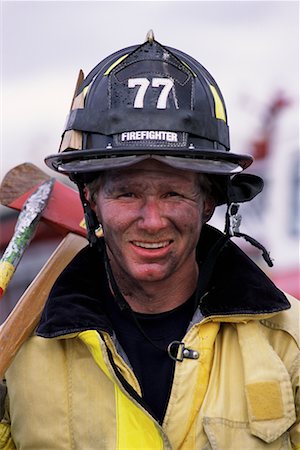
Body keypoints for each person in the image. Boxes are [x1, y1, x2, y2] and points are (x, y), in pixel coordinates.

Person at [0, 31, 299, 449]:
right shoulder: (16, 359)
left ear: (209, 200)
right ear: (90, 197)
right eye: (127, 192)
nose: (153, 220)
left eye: (174, 192)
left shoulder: (290, 345)